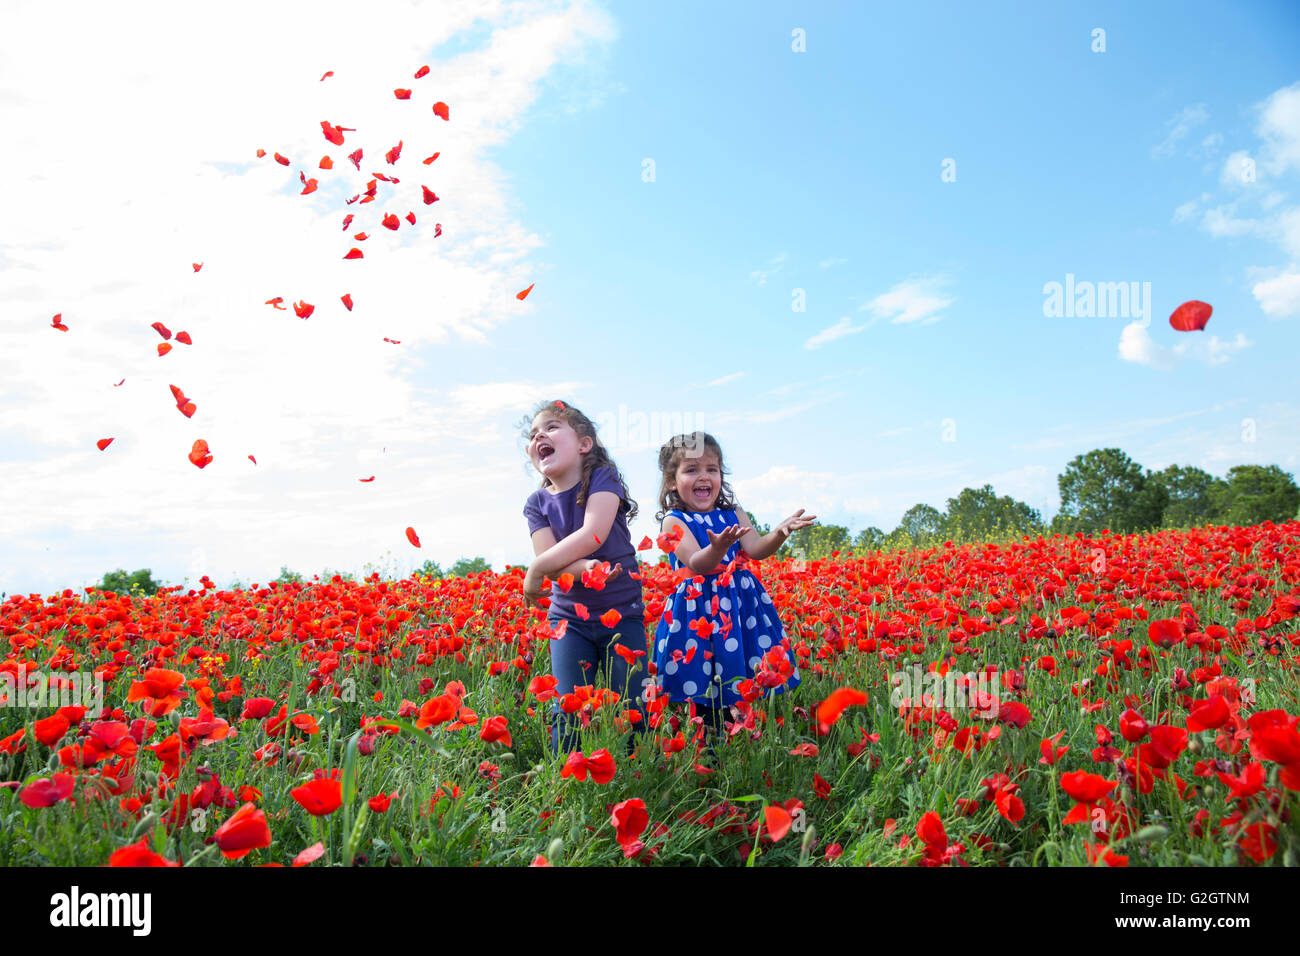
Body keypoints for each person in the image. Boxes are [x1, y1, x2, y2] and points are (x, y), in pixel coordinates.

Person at [652, 431, 815, 764]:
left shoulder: (733, 513)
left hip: (738, 610)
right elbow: (698, 565)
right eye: (692, 469)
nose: (704, 477)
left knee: (736, 675)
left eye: (712, 469)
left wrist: (779, 533)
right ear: (671, 481)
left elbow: (756, 549)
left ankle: (739, 742)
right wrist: (719, 547)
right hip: (697, 612)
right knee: (703, 677)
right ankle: (707, 752)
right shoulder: (674, 520)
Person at [520, 400, 647, 758]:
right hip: (568, 621)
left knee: (633, 704)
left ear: (584, 444)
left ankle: (640, 775)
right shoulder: (536, 503)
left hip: (623, 612)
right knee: (569, 707)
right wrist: (585, 569)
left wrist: (535, 569)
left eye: (551, 427)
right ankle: (568, 782)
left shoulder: (603, 479)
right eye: (532, 435)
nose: (539, 436)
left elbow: (593, 533)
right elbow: (556, 565)